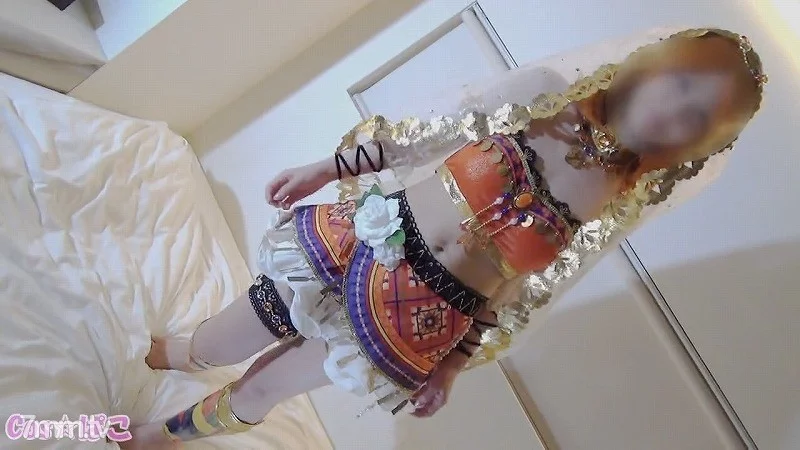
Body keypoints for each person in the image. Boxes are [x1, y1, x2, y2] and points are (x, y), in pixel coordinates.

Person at [123, 28, 766, 449]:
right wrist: (328, 168)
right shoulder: (546, 97)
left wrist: (454, 364)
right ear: (656, 66)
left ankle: (164, 435)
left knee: (266, 389)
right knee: (218, 342)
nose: (672, 111)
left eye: (695, 116)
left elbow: (522, 288)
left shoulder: (618, 203)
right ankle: (177, 355)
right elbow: (429, 135)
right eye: (682, 85)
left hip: (421, 320)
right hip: (365, 241)